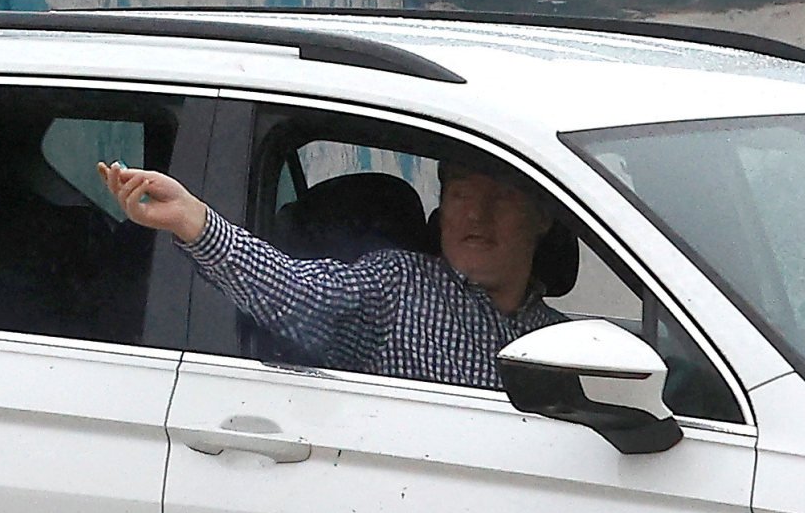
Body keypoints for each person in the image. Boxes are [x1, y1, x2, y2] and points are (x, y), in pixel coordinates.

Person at [95, 156, 562, 389]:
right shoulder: (398, 286)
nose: (476, 215)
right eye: (461, 195)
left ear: (541, 220)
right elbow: (298, 293)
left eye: (500, 198)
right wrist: (193, 220)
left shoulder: (574, 345)